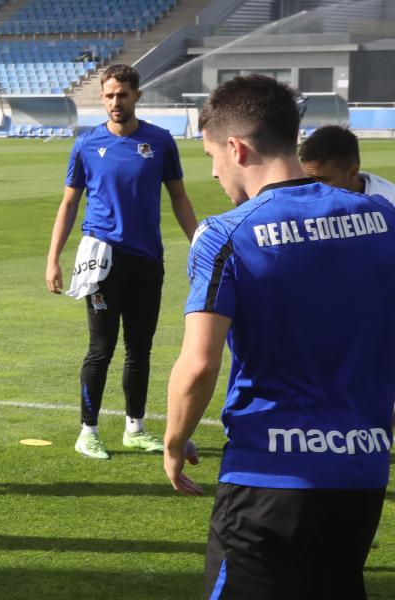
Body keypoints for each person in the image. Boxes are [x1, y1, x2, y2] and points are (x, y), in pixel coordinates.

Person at [164, 74, 395, 599]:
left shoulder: (226, 234)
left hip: (268, 477)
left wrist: (174, 442)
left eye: (210, 156)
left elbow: (199, 364)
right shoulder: (383, 218)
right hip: (361, 475)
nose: (215, 172)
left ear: (235, 147)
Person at [45, 63, 198, 460]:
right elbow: (68, 203)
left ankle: (135, 427)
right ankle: (88, 431)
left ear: (137, 96)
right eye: (110, 95)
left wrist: (199, 243)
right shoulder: (86, 144)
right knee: (101, 348)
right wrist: (53, 258)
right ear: (102, 97)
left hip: (148, 259)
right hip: (102, 259)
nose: (116, 101)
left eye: (123, 94)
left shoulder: (160, 141)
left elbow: (179, 197)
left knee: (140, 348)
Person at [298, 124, 395, 205]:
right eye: (308, 179)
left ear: (352, 173)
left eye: (322, 179)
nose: (311, 187)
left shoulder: (390, 204)